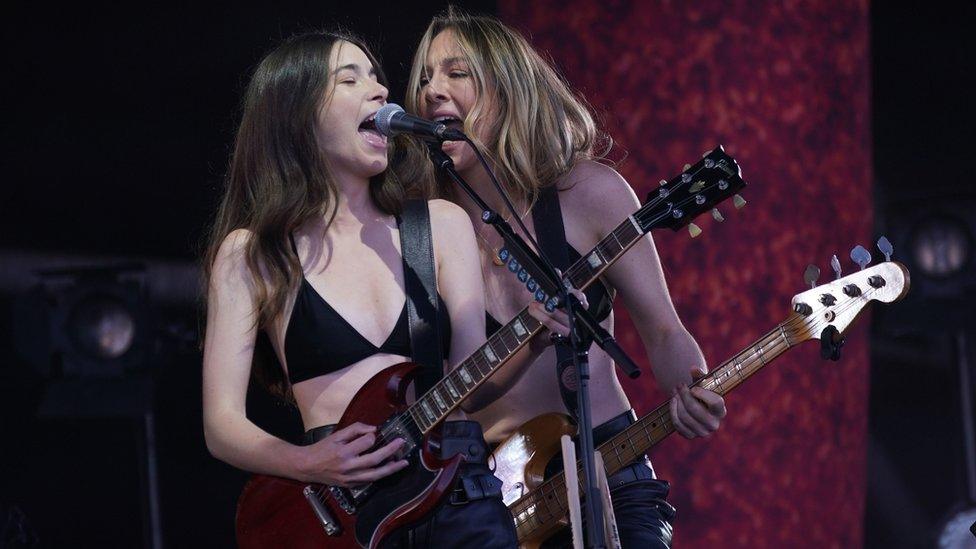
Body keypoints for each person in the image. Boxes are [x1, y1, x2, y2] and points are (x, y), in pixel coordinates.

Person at [400, 10, 728, 548]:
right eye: (426, 78)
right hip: (484, 502)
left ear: (508, 88)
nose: (433, 90)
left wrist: (693, 385)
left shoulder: (589, 195)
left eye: (456, 73)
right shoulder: (417, 230)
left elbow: (665, 333)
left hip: (608, 473)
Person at [201, 30, 516, 547]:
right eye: (350, 80)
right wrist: (305, 462)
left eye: (376, 78)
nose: (378, 91)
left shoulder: (441, 224)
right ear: (295, 114)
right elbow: (222, 423)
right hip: (345, 511)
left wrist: (535, 335)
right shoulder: (253, 252)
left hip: (460, 499)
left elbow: (470, 381)